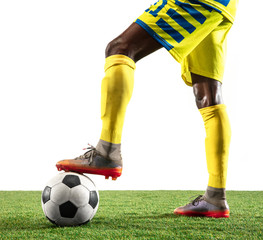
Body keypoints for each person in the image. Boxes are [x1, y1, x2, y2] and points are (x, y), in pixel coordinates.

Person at [56, 0, 238, 218]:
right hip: (224, 6)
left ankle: (107, 151)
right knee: (208, 93)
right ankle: (216, 197)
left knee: (120, 49)